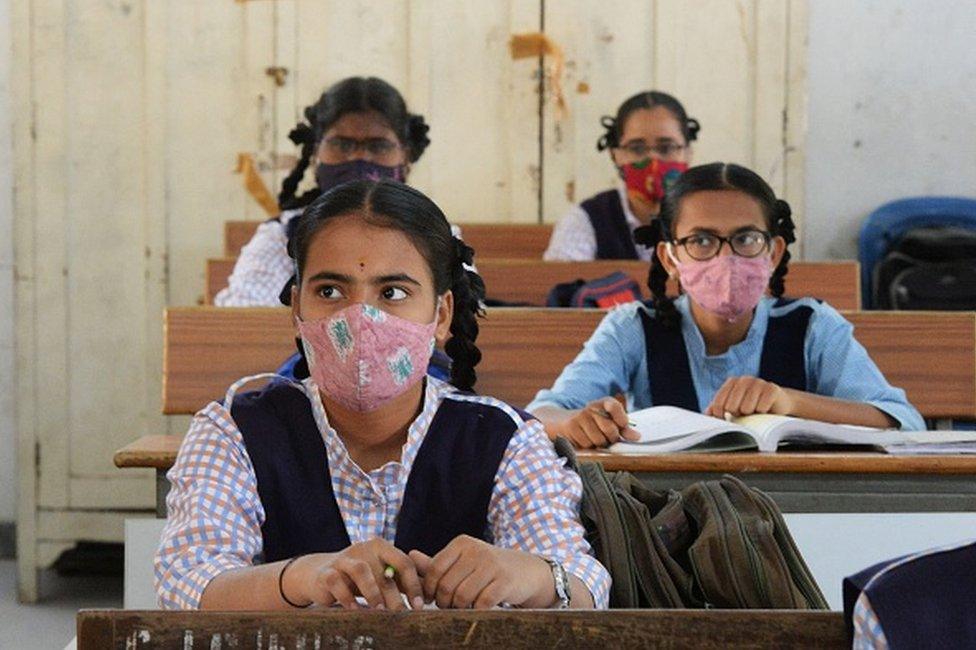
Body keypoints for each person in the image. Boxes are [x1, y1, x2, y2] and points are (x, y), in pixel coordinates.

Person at [156, 180, 610, 610]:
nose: (361, 318)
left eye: (393, 292)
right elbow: (185, 583)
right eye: (330, 291)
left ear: (441, 313)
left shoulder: (504, 439)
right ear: (297, 309)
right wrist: (306, 577)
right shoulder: (235, 431)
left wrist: (527, 575)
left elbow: (585, 582)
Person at [529, 162, 925, 449]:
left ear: (773, 251)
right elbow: (541, 415)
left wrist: (790, 402)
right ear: (670, 259)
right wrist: (576, 422)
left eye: (745, 239)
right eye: (701, 241)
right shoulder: (633, 326)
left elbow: (903, 423)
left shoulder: (812, 326)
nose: (726, 259)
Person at [214, 76, 433, 307]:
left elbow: (458, 321)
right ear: (316, 153)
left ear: (406, 156)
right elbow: (245, 320)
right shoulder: (283, 236)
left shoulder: (433, 236)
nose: (358, 158)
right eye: (341, 144)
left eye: (378, 146)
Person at [543, 90, 699, 261]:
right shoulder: (588, 219)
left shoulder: (713, 215)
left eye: (666, 147)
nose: (653, 159)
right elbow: (560, 282)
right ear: (615, 155)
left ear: (688, 153)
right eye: (637, 148)